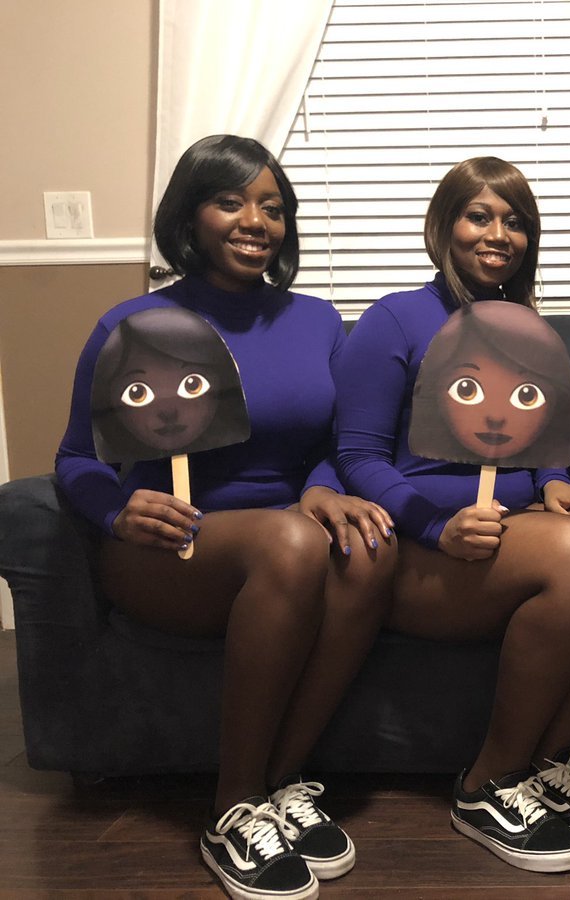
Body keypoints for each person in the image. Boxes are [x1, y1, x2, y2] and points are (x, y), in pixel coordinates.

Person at [55, 135, 398, 898]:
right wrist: (117, 509)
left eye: (273, 208)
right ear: (190, 216)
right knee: (291, 542)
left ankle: (281, 782)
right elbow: (75, 458)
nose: (255, 221)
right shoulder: (133, 322)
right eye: (230, 201)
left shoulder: (317, 321)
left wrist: (321, 487)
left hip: (286, 544)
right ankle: (231, 808)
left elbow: (332, 445)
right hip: (169, 550)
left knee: (373, 544)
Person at [333, 156, 570, 873]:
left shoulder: (523, 328)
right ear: (443, 226)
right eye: (479, 216)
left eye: (515, 221)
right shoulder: (393, 320)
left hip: (511, 528)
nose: (498, 234)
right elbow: (357, 457)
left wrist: (551, 483)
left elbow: (542, 442)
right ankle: (485, 784)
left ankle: (544, 762)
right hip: (422, 547)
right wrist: (435, 527)